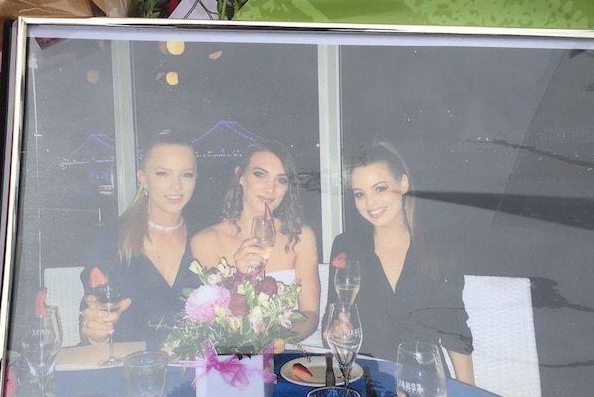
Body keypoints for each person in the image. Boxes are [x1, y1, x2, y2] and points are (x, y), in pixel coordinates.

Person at [324, 140, 474, 383]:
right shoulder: (346, 246)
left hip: (425, 386)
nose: (370, 203)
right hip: (366, 381)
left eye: (380, 189)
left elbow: (454, 331)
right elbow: (332, 317)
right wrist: (336, 329)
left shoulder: (438, 248)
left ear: (403, 184)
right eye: (360, 194)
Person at [79, 130, 199, 348]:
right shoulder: (111, 238)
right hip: (131, 372)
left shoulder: (205, 239)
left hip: (197, 372)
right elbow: (91, 312)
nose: (176, 186)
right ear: (143, 178)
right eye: (163, 173)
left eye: (186, 174)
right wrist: (96, 333)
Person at [190, 140, 320, 340]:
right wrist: (240, 277)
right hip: (235, 357)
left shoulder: (301, 237)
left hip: (290, 353)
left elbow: (310, 314)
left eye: (281, 180)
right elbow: (213, 323)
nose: (271, 189)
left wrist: (277, 342)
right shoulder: (206, 241)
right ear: (240, 176)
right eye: (260, 175)